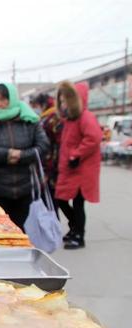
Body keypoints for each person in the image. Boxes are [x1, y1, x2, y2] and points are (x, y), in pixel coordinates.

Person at [0, 83, 49, 230]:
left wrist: (22, 155)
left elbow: (43, 146)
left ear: (12, 99)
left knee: (21, 236)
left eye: (2, 99)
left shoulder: (30, 120)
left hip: (25, 190)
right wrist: (7, 154)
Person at [55, 81, 103, 249]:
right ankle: (75, 227)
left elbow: (94, 138)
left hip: (82, 170)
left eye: (66, 100)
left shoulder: (85, 117)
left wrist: (76, 154)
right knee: (60, 198)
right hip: (71, 169)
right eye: (61, 101)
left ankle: (79, 235)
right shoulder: (69, 119)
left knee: (77, 203)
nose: (63, 104)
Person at [30, 93, 63, 215]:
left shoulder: (53, 118)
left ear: (41, 104)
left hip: (50, 169)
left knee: (51, 206)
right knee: (48, 204)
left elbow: (57, 147)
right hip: (45, 168)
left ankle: (53, 232)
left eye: (35, 105)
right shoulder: (46, 117)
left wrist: (49, 171)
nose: (35, 109)